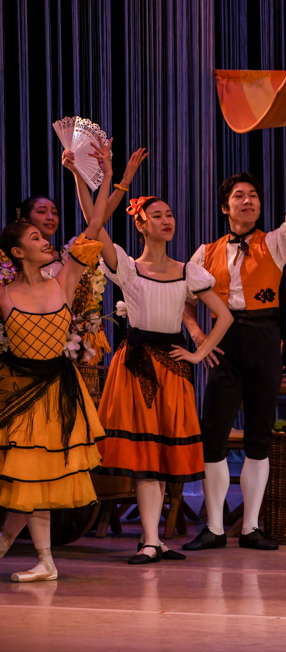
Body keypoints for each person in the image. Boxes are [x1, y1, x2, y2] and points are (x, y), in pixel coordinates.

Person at [182, 126, 286, 552]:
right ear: (225, 206)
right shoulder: (204, 252)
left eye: (253, 196)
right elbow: (183, 300)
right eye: (239, 196)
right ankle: (212, 526)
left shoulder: (275, 244)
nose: (248, 201)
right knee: (213, 435)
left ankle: (250, 527)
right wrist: (197, 337)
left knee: (259, 435)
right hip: (224, 342)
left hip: (265, 338)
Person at [92, 181, 233, 563]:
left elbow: (224, 315)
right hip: (137, 364)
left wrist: (198, 352)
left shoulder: (189, 271)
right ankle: (150, 539)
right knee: (145, 454)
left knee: (165, 454)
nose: (167, 220)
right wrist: (109, 179)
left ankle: (158, 539)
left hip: (171, 366)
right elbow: (96, 220)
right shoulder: (128, 266)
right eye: (157, 215)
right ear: (140, 224)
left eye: (169, 214)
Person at [0, 146, 115, 582]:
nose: (45, 240)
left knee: (40, 476)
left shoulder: (64, 278)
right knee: (29, 478)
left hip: (57, 392)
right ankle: (40, 558)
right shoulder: (6, 295)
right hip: (19, 393)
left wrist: (102, 175)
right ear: (15, 252)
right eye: (34, 238)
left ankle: (32, 554)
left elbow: (95, 225)